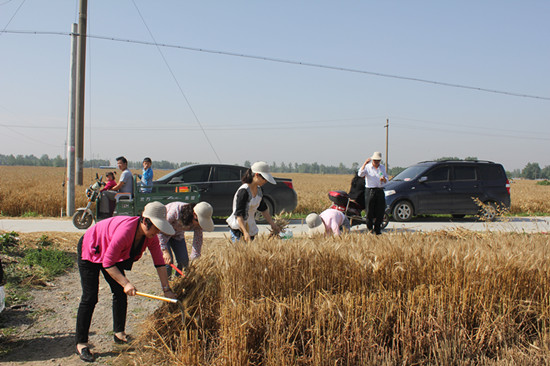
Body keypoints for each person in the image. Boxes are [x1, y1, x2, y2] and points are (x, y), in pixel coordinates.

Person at [75, 201, 175, 362]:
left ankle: (119, 334)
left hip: (111, 255)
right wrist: (126, 283)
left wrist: (166, 288)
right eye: (155, 226)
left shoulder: (151, 237)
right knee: (90, 297)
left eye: (159, 228)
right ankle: (81, 343)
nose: (157, 231)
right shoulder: (126, 231)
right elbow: (107, 263)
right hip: (91, 247)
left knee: (120, 294)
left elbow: (159, 263)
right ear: (145, 221)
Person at [226, 161, 281, 242]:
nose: (265, 181)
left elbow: (263, 208)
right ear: (257, 175)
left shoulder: (259, 190)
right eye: (264, 178)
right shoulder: (244, 191)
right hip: (238, 228)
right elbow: (239, 214)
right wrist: (245, 232)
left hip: (251, 228)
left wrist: (272, 224)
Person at [159, 201, 215, 276]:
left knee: (184, 262)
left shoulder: (198, 224)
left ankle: (179, 283)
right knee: (168, 263)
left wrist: (194, 259)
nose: (199, 225)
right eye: (198, 221)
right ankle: (166, 285)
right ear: (194, 215)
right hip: (162, 235)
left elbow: (198, 240)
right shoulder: (175, 211)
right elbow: (159, 230)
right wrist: (164, 251)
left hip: (177, 236)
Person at [357, 151, 388, 235]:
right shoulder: (367, 167)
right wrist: (365, 163)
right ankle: (370, 229)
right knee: (369, 211)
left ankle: (377, 229)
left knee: (380, 211)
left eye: (378, 161)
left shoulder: (382, 167)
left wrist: (384, 179)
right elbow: (360, 174)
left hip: (380, 190)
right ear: (372, 160)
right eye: (374, 160)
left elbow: (386, 178)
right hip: (370, 191)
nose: (376, 162)